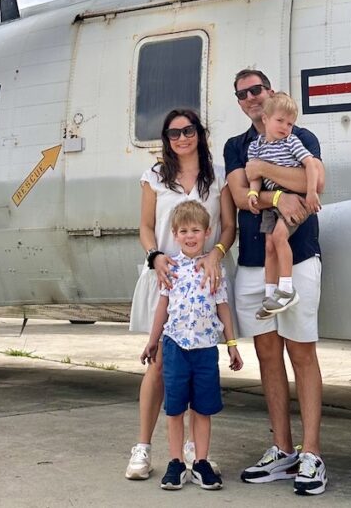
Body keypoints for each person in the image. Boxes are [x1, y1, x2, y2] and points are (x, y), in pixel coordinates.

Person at [224, 69, 328, 496]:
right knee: (268, 356)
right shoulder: (235, 146)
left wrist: (265, 172)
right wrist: (283, 195)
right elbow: (237, 197)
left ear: (270, 94)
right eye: (243, 93)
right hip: (250, 264)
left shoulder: (301, 137)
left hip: (299, 257)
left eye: (257, 89)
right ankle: (283, 450)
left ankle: (313, 454)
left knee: (302, 353)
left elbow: (313, 183)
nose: (251, 97)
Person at [126, 108, 236, 482]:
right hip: (166, 278)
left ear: (199, 134)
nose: (182, 138)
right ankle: (142, 447)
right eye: (174, 133)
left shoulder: (216, 176)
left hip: (204, 280)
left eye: (188, 130)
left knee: (195, 371)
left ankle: (192, 451)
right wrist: (155, 256)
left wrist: (214, 256)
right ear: (166, 139)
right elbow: (144, 227)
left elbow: (228, 228)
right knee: (158, 365)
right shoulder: (154, 177)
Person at [140, 200, 243, 490]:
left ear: (207, 232)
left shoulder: (214, 268)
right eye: (183, 230)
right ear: (175, 235)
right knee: (175, 409)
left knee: (203, 408)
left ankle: (200, 462)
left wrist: (231, 343)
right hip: (174, 348)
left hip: (205, 349)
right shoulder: (171, 268)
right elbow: (162, 307)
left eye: (195, 230)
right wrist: (152, 341)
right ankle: (175, 462)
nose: (189, 235)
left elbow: (223, 308)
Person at [246, 92, 321, 318]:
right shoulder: (256, 146)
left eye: (290, 123)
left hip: (296, 198)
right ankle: (270, 296)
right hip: (272, 203)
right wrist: (252, 191)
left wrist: (311, 193)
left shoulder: (291, 141)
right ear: (265, 119)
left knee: (279, 237)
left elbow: (310, 165)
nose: (285, 127)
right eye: (280, 121)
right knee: (269, 246)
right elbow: (255, 174)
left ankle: (287, 289)